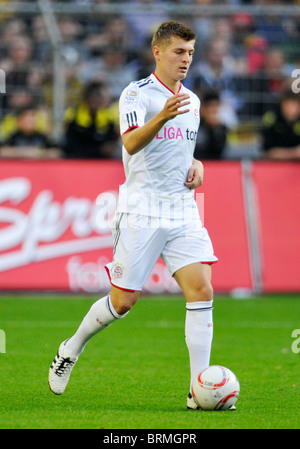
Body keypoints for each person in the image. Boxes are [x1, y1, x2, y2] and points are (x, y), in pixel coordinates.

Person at [48, 20, 220, 411]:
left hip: (182, 209)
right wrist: (161, 115)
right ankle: (70, 348)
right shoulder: (135, 94)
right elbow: (130, 142)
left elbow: (180, 150)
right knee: (123, 303)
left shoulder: (191, 100)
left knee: (202, 290)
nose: (186, 60)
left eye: (191, 53)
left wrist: (198, 165)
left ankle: (199, 389)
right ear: (157, 52)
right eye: (179, 52)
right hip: (141, 210)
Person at [62, 81, 119, 159]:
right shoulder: (73, 115)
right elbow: (70, 144)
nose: (93, 104)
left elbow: (111, 142)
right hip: (77, 159)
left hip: (102, 161)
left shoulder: (108, 117)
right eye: (92, 99)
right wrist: (98, 150)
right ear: (88, 99)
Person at [261, 87, 300, 160]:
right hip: (274, 166)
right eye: (291, 103)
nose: (294, 108)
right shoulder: (271, 119)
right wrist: (294, 153)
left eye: (297, 104)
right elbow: (266, 153)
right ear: (283, 103)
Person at [194, 89, 227, 160]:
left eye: (216, 107)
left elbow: (220, 153)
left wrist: (214, 130)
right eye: (211, 107)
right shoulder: (194, 126)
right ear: (202, 108)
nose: (213, 111)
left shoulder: (221, 128)